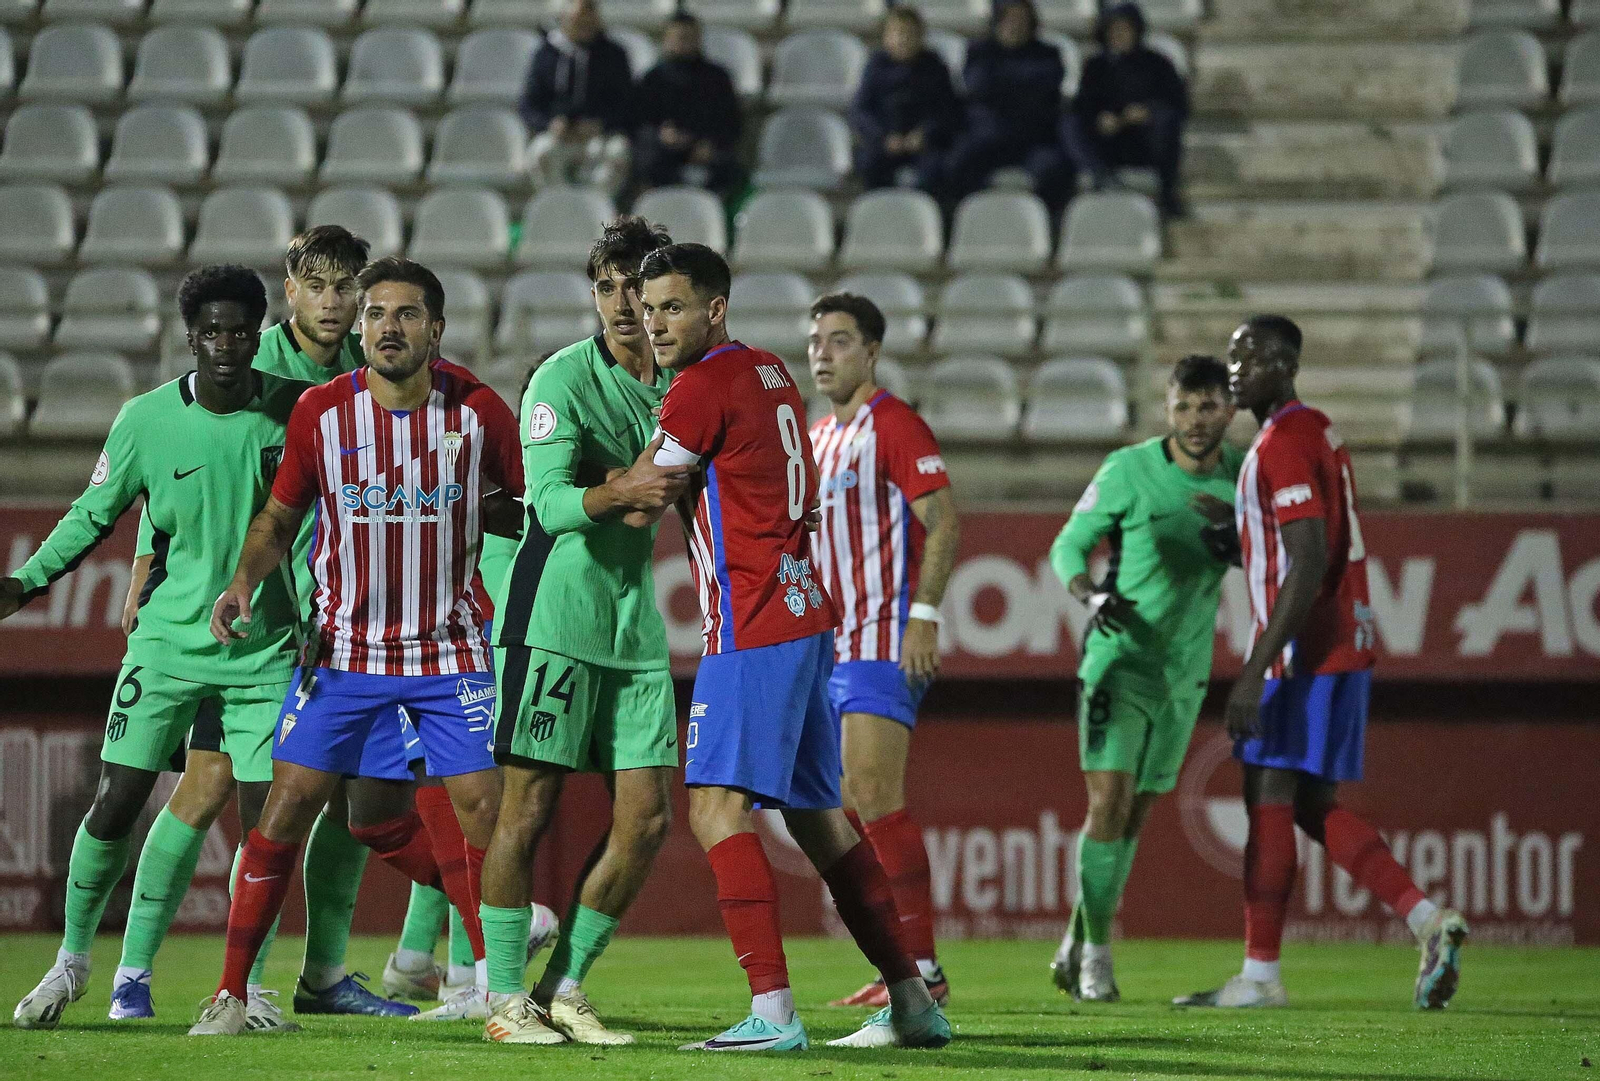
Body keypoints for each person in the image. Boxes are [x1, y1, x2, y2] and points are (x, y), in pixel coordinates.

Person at [188, 258, 524, 1037]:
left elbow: (526, 504)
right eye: (375, 314)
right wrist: (243, 581)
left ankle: (503, 994)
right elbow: (277, 517)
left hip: (449, 651)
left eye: (406, 315)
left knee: (485, 813)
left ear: (435, 330)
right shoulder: (320, 412)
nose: (387, 327)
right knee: (286, 806)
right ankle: (232, 994)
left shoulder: (478, 410)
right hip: (343, 652)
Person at [640, 243, 951, 1053]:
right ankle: (913, 1000)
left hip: (752, 617)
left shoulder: (702, 385)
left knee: (713, 806)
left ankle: (773, 1011)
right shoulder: (771, 373)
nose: (656, 323)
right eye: (648, 309)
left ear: (715, 308)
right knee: (823, 819)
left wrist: (561, 490)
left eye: (673, 307)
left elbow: (647, 495)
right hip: (807, 611)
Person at [112, 228, 425, 1022]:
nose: (332, 300)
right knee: (210, 780)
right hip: (241, 620)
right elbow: (180, 468)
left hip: (335, 618)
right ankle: (132, 973)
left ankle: (320, 973)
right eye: (316, 284)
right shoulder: (251, 363)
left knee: (344, 787)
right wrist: (146, 569)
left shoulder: (368, 375)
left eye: (345, 285)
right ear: (290, 288)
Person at [9, 266, 312, 1031]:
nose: (227, 345)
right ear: (191, 336)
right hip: (168, 643)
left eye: (241, 331)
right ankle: (72, 961)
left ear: (258, 333)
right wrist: (27, 580)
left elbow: (323, 527)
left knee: (265, 823)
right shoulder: (145, 419)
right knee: (114, 802)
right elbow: (92, 513)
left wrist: (314, 614)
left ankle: (242, 988)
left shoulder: (295, 415)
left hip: (263, 648)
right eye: (212, 331)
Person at [1176, 316, 1469, 1010]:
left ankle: (1260, 976)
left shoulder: (1283, 441)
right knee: (1310, 804)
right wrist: (1239, 534)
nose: (1237, 367)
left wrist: (1255, 668)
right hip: (1341, 639)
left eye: (1252, 356)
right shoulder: (1314, 431)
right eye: (1233, 354)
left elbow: (1307, 560)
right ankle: (1427, 917)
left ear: (1286, 363)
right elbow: (1311, 543)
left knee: (1268, 798)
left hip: (1306, 650)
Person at [477, 217, 688, 1046]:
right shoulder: (561, 378)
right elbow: (550, 502)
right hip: (554, 618)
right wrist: (620, 489)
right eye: (606, 286)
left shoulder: (684, 383)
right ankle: (501, 998)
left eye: (637, 284)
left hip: (635, 625)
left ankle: (564, 986)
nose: (623, 302)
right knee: (526, 809)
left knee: (646, 818)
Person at [1046, 354, 1243, 1002]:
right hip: (1118, 657)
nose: (1194, 419)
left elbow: (1279, 554)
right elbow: (1069, 543)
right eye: (1183, 405)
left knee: (1133, 815)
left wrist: (1239, 538)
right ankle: (1098, 955)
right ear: (1168, 407)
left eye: (1207, 405)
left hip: (1183, 674)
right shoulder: (1129, 469)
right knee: (1108, 799)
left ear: (1229, 409)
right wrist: (1090, 594)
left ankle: (1079, 936)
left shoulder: (1246, 477)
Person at [804, 293, 959, 1009]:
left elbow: (944, 515)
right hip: (828, 648)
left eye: (839, 340)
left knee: (873, 796)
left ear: (871, 352)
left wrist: (923, 614)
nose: (822, 353)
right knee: (845, 807)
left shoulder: (892, 424)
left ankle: (922, 964)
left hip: (881, 638)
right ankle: (904, 958)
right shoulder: (814, 437)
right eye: (815, 340)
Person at [1061, 2, 1188, 218]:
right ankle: (1101, 177)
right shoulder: (1095, 66)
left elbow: (1178, 104)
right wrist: (1100, 119)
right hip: (1107, 143)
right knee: (1068, 125)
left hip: (1145, 142)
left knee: (1168, 121)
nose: (1119, 35)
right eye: (1113, 29)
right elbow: (1083, 105)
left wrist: (1148, 111)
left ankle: (1168, 193)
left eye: (1125, 29)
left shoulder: (1158, 64)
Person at [945, 0, 1072, 211]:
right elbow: (977, 85)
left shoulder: (1049, 54)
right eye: (1008, 19)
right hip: (988, 139)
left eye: (1021, 20)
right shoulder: (979, 51)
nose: (1015, 25)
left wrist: (1002, 83)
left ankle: (1045, 223)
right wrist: (1023, 83)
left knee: (1055, 169)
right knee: (956, 164)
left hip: (1032, 140)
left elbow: (1047, 87)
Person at [520, 0, 634, 196]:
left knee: (619, 153)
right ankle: (558, 205)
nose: (585, 27)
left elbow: (627, 104)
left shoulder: (614, 55)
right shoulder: (546, 55)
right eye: (578, 21)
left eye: (590, 21)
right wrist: (550, 123)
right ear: (564, 20)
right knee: (541, 154)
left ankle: (598, 210)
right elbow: (529, 104)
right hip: (560, 135)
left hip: (601, 134)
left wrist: (601, 124)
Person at [849, 5, 961, 199]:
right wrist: (883, 138)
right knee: (869, 165)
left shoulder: (934, 66)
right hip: (886, 142)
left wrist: (925, 134)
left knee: (937, 171)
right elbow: (860, 110)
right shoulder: (875, 66)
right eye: (898, 33)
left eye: (910, 34)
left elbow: (948, 110)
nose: (904, 39)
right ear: (886, 37)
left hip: (925, 144)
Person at [632, 11, 742, 197]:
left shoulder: (717, 77)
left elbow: (732, 122)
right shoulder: (653, 79)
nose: (687, 43)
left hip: (707, 151)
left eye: (692, 38)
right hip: (664, 154)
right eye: (681, 38)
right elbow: (639, 122)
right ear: (667, 39)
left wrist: (710, 143)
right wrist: (662, 135)